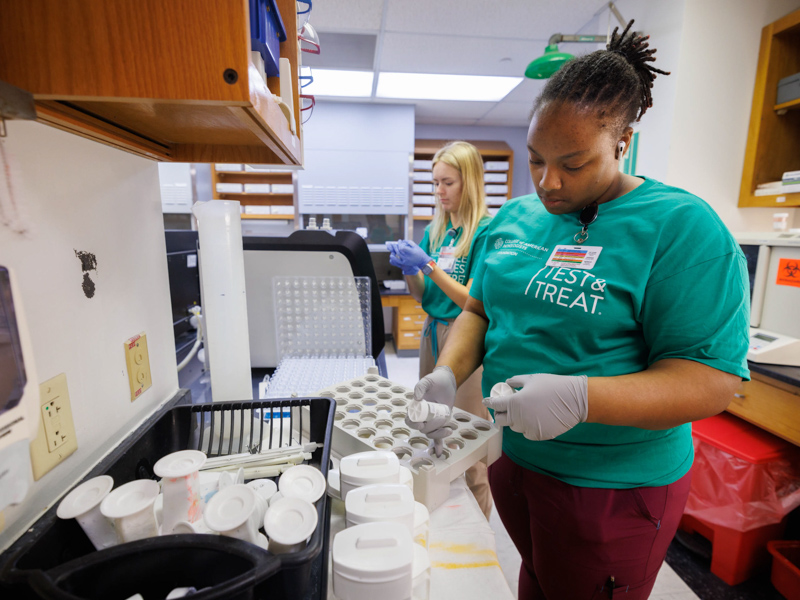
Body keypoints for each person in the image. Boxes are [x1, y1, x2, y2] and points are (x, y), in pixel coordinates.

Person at [414, 21, 750, 600]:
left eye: (573, 163)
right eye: (536, 159)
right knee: (538, 581)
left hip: (612, 486)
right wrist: (448, 372)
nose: (548, 182)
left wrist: (581, 397)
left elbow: (710, 383)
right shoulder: (514, 221)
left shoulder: (681, 230)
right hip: (515, 460)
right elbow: (481, 311)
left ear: (622, 143)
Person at [388, 140, 494, 518]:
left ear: (469, 181)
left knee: (468, 444)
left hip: (464, 337)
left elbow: (472, 302)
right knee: (431, 428)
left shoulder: (484, 232)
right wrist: (409, 270)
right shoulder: (438, 229)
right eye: (435, 183)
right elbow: (422, 296)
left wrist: (430, 265)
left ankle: (479, 528)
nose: (439, 191)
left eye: (447, 182)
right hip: (433, 334)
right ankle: (439, 517)